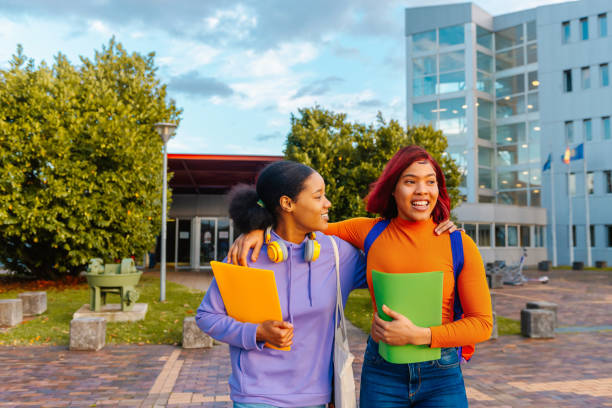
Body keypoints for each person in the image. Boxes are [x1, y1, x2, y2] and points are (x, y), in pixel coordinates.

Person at [229, 146, 492, 407]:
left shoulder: (459, 244)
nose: (422, 190)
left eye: (430, 182)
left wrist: (420, 335)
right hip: (382, 375)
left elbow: (482, 324)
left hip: (441, 376)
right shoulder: (366, 231)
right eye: (410, 181)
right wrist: (257, 228)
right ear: (393, 188)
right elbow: (298, 224)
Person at [195, 160, 368, 408]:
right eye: (318, 196)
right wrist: (256, 332)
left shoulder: (338, 254)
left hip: (315, 397)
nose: (328, 203)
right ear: (287, 203)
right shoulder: (246, 255)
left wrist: (438, 230)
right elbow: (207, 316)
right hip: (255, 396)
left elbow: (388, 258)